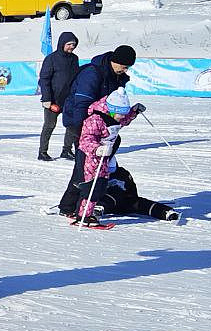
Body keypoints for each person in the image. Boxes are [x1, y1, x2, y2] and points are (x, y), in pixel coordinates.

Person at [55, 44, 134, 215]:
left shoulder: (117, 76)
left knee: (98, 163)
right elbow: (82, 102)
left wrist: (130, 113)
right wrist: (84, 130)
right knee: (84, 166)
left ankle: (89, 199)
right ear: (115, 61)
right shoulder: (93, 73)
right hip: (81, 122)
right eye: (124, 66)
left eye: (128, 67)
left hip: (100, 124)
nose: (125, 70)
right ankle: (70, 206)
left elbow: (113, 106)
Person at [71, 89, 145, 226]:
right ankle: (82, 215)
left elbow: (123, 120)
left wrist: (134, 112)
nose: (121, 117)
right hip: (90, 157)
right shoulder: (95, 120)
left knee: (100, 185)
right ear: (111, 109)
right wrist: (97, 149)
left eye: (123, 114)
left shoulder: (115, 118)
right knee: (91, 186)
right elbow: (86, 139)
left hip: (104, 157)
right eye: (120, 114)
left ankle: (89, 212)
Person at [36, 31, 80, 160]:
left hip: (69, 100)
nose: (71, 46)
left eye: (74, 44)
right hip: (53, 100)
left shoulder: (74, 59)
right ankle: (42, 152)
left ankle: (66, 150)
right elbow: (44, 79)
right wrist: (46, 98)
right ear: (62, 44)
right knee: (49, 125)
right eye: (69, 44)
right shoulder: (51, 58)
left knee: (72, 126)